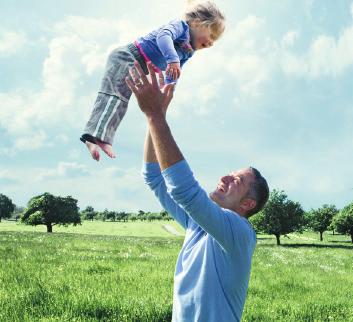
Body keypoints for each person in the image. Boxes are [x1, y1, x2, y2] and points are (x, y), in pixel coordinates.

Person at [126, 61, 270, 321]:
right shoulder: (198, 225)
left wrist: (154, 116)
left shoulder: (239, 232)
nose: (225, 177)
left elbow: (184, 190)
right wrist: (158, 116)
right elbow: (154, 177)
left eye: (237, 180)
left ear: (248, 204)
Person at [80, 1, 225, 161]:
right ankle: (92, 137)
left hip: (137, 67)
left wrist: (167, 89)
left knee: (121, 102)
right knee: (113, 96)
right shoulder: (180, 26)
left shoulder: (188, 51)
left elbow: (175, 72)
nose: (211, 43)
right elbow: (163, 37)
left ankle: (101, 137)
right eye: (212, 36)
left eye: (215, 41)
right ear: (197, 23)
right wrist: (172, 59)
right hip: (126, 58)